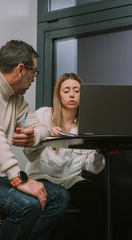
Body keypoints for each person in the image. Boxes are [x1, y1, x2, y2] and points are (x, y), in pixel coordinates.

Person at [0, 40, 70, 240]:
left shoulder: (17, 101)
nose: (33, 80)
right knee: (27, 205)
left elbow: (42, 128)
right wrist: (17, 177)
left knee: (60, 197)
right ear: (20, 69)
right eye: (33, 72)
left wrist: (34, 136)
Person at [24, 72, 105, 240]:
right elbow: (29, 151)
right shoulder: (43, 115)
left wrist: (99, 149)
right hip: (41, 177)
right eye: (66, 90)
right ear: (58, 94)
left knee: (97, 197)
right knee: (60, 198)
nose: (72, 95)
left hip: (69, 180)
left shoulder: (87, 125)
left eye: (77, 90)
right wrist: (47, 135)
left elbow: (93, 167)